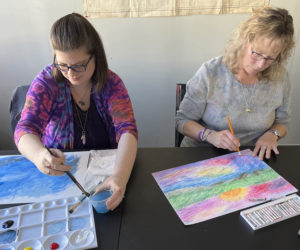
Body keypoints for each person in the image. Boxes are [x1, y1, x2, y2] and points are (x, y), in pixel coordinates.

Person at [14, 13, 138, 211]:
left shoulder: (111, 83)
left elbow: (127, 131)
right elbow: (25, 128)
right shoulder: (47, 82)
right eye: (62, 65)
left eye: (79, 65)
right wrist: (39, 156)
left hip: (105, 175)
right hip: (61, 178)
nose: (70, 73)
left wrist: (119, 177)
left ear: (95, 56)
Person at [176, 7, 294, 160]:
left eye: (270, 58)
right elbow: (182, 121)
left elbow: (282, 122)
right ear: (243, 42)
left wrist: (273, 134)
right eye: (257, 53)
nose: (260, 64)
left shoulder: (280, 77)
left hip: (252, 158)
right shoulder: (211, 72)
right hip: (203, 155)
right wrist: (210, 135)